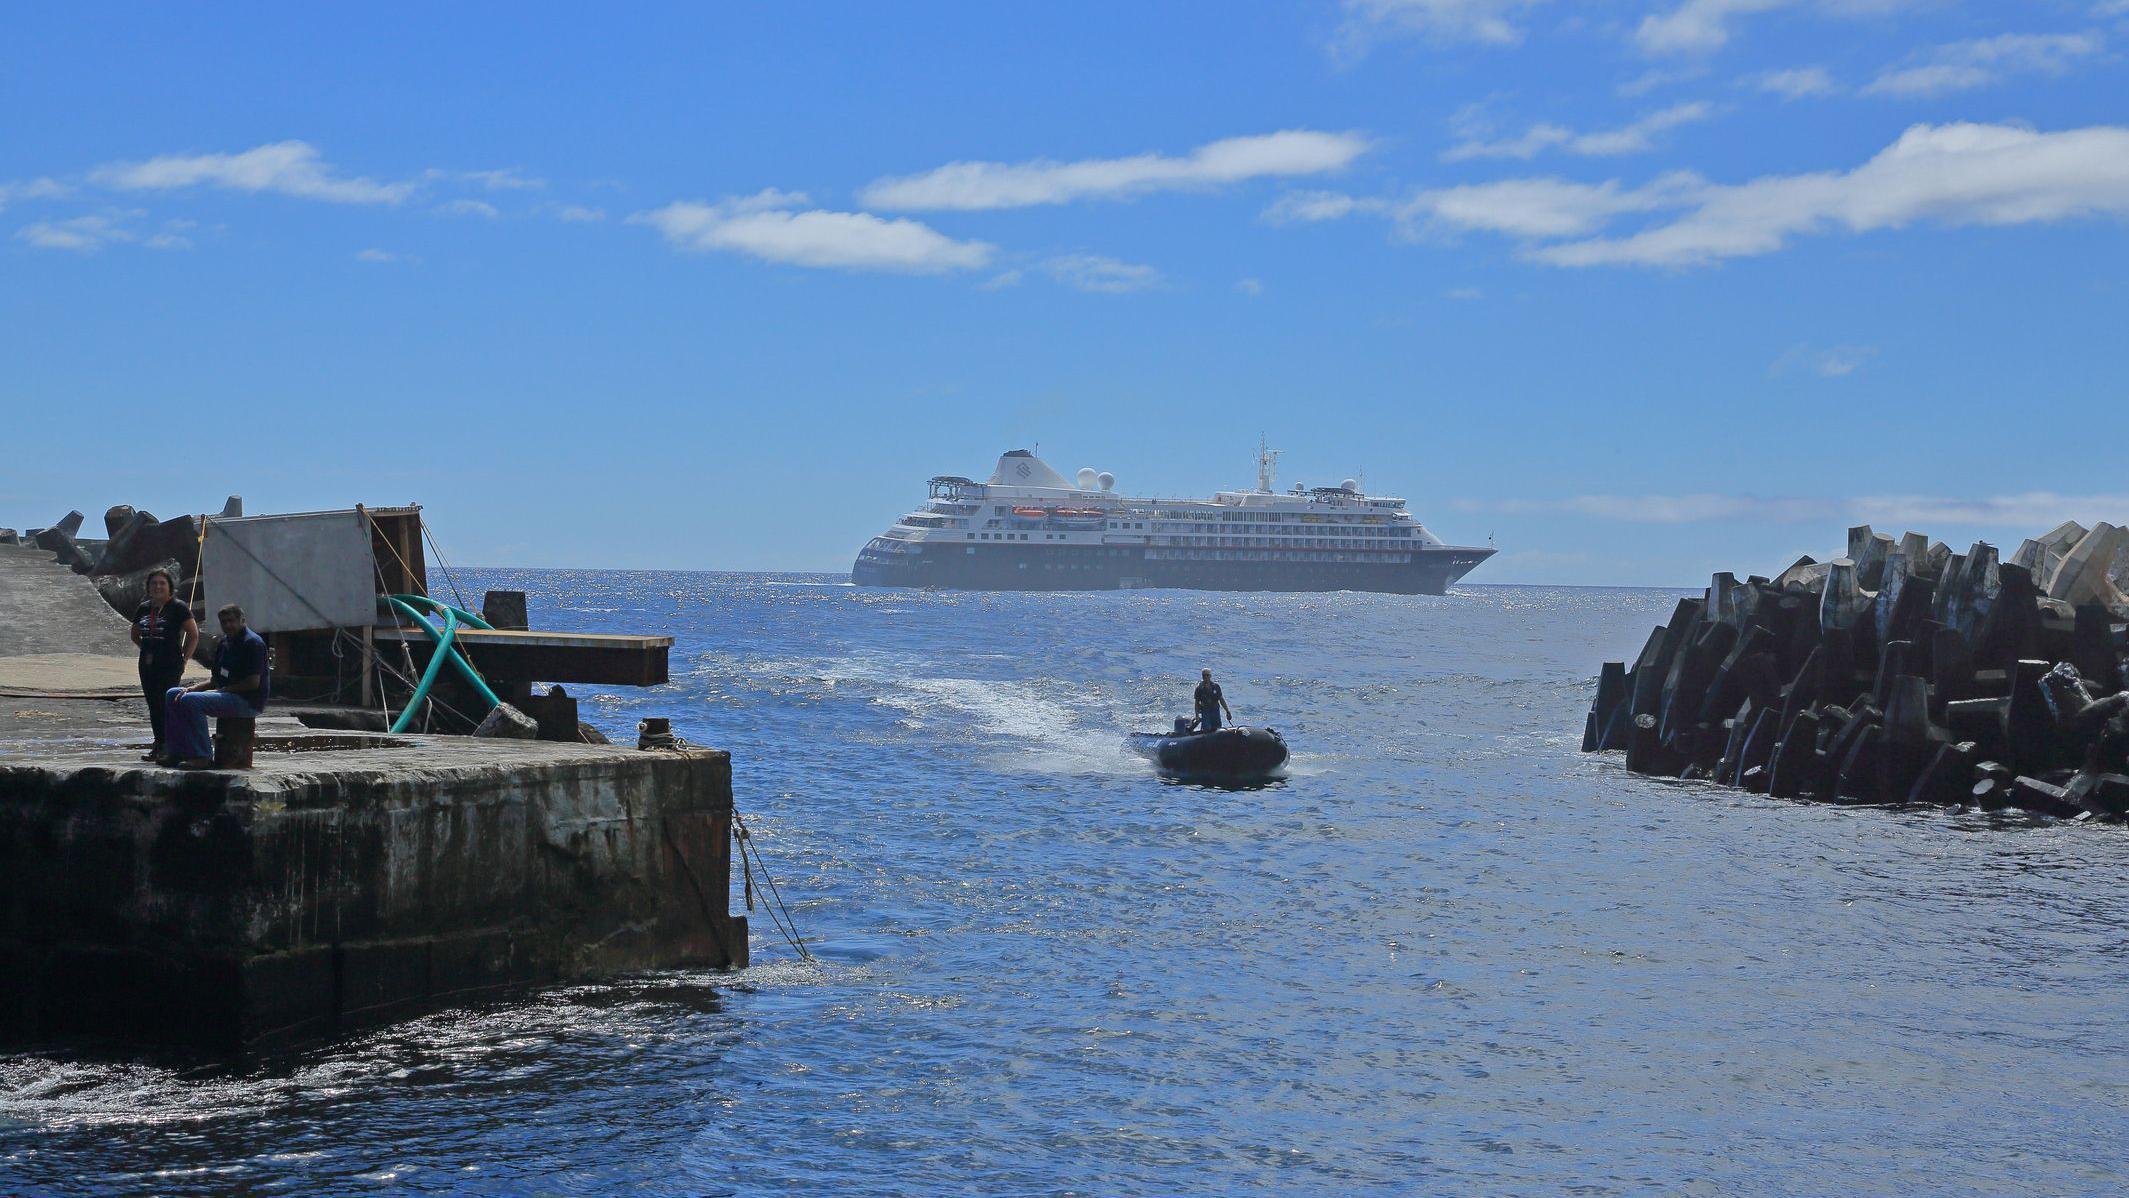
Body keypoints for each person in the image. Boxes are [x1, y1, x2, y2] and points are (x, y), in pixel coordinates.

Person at [163, 603, 270, 768]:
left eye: (231, 621)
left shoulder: (253, 643)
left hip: (247, 701)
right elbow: (215, 680)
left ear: (242, 621)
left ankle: (202, 755)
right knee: (173, 694)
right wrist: (192, 688)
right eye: (224, 622)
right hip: (227, 694)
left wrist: (224, 690)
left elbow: (253, 683)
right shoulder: (224, 643)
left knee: (191, 701)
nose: (228, 625)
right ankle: (176, 752)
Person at [130, 568, 198, 762]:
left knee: (167, 703)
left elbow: (193, 635)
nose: (158, 587)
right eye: (154, 584)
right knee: (153, 704)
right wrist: (148, 647)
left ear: (169, 587)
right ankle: (158, 744)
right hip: (148, 662)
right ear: (148, 587)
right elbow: (134, 634)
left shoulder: (178, 607)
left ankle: (172, 745)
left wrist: (185, 658)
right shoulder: (144, 608)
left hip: (170, 662)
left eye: (162, 583)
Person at [1193, 668, 1232, 733]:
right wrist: (1197, 715)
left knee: (1217, 729)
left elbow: (1221, 699)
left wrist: (1227, 711)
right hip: (1205, 712)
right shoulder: (1199, 688)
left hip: (1215, 711)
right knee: (1207, 729)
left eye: (1207, 675)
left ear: (1210, 676)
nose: (1205, 677)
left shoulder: (1216, 686)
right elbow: (1196, 703)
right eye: (1204, 675)